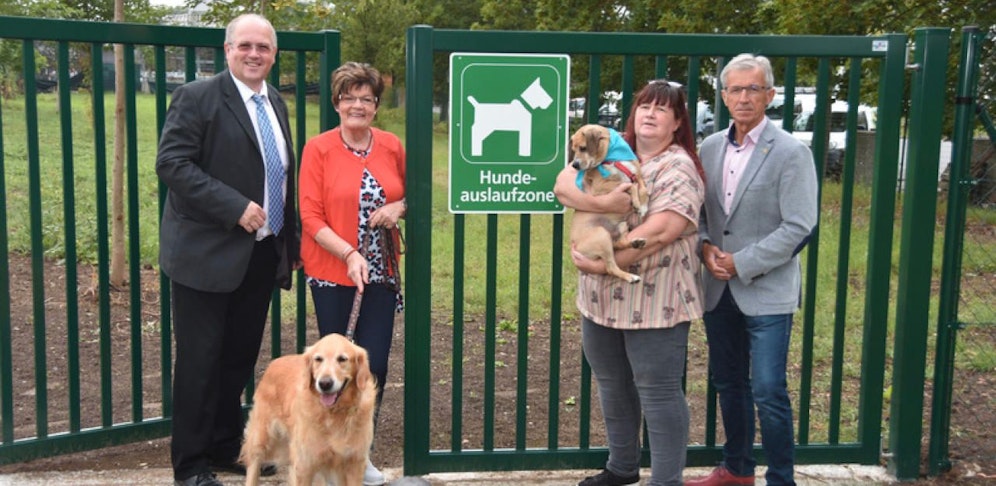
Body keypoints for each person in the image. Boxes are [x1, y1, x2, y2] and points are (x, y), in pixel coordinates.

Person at [156, 13, 299, 486]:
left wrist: (288, 241)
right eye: (246, 46)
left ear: (274, 55)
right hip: (205, 256)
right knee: (199, 362)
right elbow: (172, 164)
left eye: (263, 47)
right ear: (228, 49)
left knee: (237, 358)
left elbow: (280, 178)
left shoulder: (274, 101)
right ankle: (190, 465)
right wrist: (234, 206)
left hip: (258, 256)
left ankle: (221, 446)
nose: (254, 54)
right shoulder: (197, 97)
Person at [554, 80, 707, 486]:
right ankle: (622, 468)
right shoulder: (610, 148)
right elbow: (561, 185)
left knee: (658, 393)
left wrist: (601, 265)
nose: (650, 114)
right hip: (600, 301)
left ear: (677, 122)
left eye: (662, 109)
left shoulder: (679, 166)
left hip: (655, 299)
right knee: (612, 384)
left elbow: (662, 231)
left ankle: (666, 480)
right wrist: (602, 205)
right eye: (644, 106)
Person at [685, 54, 818, 486]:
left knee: (768, 391)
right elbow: (701, 215)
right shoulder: (709, 147)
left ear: (770, 95)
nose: (744, 97)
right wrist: (705, 249)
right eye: (735, 89)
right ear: (723, 96)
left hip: (766, 291)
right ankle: (738, 470)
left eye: (753, 89)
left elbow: (800, 226)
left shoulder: (791, 152)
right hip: (718, 291)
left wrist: (742, 262)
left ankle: (781, 478)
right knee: (728, 383)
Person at [298, 61, 406, 486]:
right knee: (334, 372)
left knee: (372, 364)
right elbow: (309, 214)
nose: (358, 105)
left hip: (381, 273)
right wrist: (348, 254)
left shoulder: (392, 145)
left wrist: (400, 208)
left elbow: (411, 191)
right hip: (333, 272)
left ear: (376, 106)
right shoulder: (319, 148)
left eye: (366, 98)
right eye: (349, 97)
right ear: (336, 102)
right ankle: (331, 456)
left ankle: (358, 457)